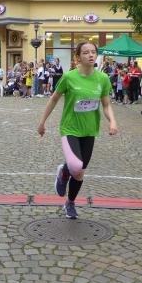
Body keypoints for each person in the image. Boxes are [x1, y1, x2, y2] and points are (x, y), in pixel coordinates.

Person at [37, 41, 118, 219]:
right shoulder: (69, 77)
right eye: (86, 52)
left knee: (80, 172)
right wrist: (42, 122)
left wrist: (112, 121)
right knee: (75, 166)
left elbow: (106, 104)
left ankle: (70, 202)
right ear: (78, 57)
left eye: (93, 52)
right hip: (70, 128)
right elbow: (54, 99)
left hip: (90, 130)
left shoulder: (102, 79)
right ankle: (65, 171)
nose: (90, 55)